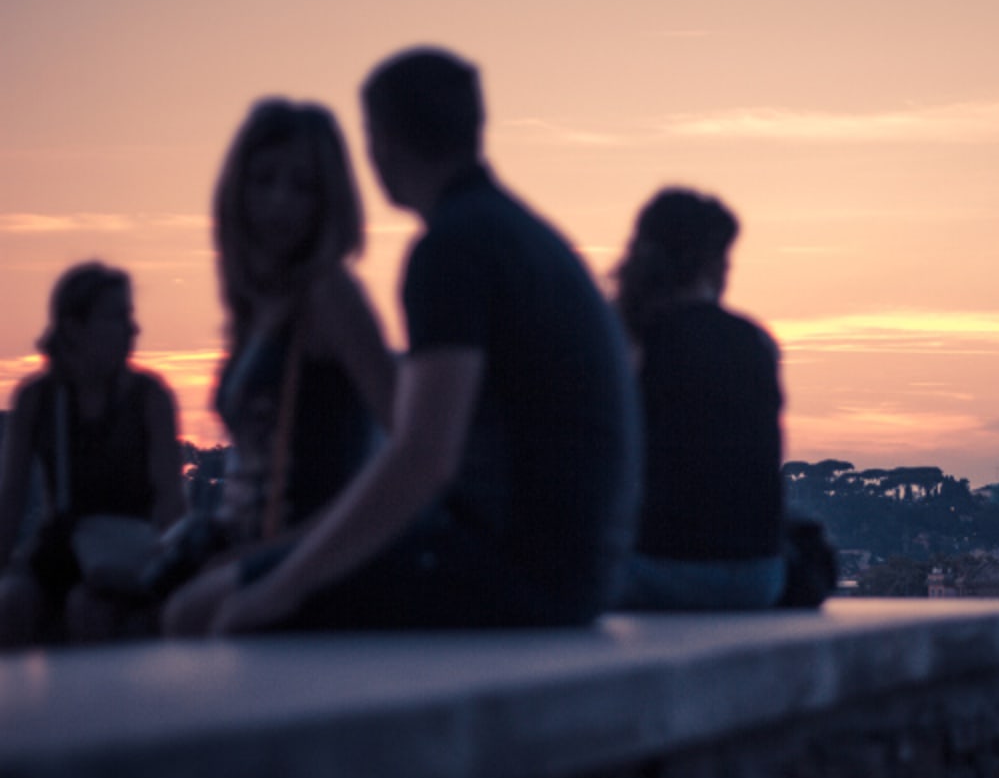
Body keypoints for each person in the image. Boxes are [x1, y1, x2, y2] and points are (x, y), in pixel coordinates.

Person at [204, 46, 637, 633]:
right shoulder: (521, 235)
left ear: (380, 140)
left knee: (193, 611)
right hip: (577, 571)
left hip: (517, 572)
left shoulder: (451, 248)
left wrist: (280, 588)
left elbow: (424, 456)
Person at [161, 100, 394, 632]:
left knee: (183, 616)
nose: (279, 203)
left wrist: (285, 552)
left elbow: (409, 443)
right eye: (263, 181)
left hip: (308, 545)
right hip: (245, 537)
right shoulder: (259, 304)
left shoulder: (330, 296)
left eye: (302, 187)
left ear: (328, 201)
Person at [612, 188, 786, 610]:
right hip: (760, 576)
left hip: (659, 569)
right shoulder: (755, 340)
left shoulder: (628, 341)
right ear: (712, 265)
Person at [0, 263, 184, 645]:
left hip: (129, 550)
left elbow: (170, 499)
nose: (133, 330)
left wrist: (169, 572)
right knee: (13, 603)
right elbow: (11, 500)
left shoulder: (149, 399)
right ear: (73, 327)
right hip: (59, 547)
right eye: (118, 317)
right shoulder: (38, 400)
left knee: (91, 609)